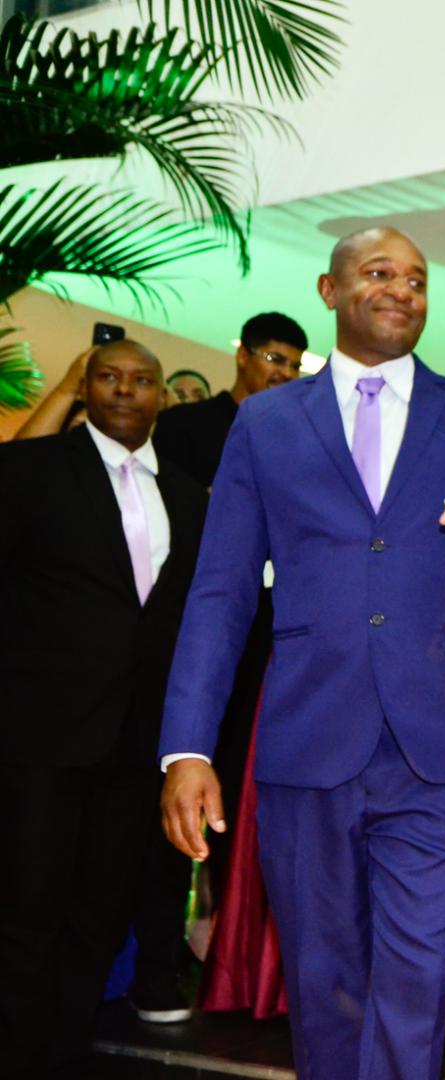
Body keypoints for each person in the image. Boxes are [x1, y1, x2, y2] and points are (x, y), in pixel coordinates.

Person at [156, 226, 445, 1080]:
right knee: (325, 984)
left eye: (417, 280)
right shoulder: (267, 422)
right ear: (329, 289)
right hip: (308, 740)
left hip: (441, 747)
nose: (401, 291)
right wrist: (187, 748)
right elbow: (221, 591)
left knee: (419, 977)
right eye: (379, 273)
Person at [0, 341, 208, 1074]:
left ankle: (62, 1055)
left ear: (162, 396)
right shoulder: (33, 469)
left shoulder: (189, 495)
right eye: (109, 378)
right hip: (39, 738)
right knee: (27, 909)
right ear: (84, 387)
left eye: (141, 380)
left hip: (137, 742)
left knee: (99, 915)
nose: (125, 390)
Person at [152, 313, 309, 1022]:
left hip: (276, 638)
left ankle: (238, 933)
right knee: (192, 782)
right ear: (241, 356)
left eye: (293, 363)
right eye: (273, 358)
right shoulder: (187, 429)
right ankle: (192, 932)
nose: (282, 372)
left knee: (254, 789)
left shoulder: (299, 430)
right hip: (204, 629)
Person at [155, 314, 307, 489]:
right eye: (276, 359)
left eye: (295, 367)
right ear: (243, 356)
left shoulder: (291, 441)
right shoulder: (182, 423)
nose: (288, 374)